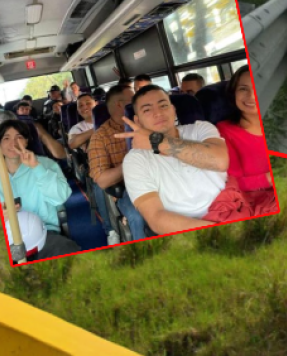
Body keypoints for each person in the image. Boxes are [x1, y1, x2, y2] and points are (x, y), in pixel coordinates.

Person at [115, 85, 228, 235]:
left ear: (173, 110)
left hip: (229, 210)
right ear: (137, 120)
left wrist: (157, 142)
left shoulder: (200, 129)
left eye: (163, 105)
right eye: (147, 110)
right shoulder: (135, 160)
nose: (158, 113)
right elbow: (156, 218)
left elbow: (219, 161)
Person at [0, 119, 80, 260]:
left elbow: (60, 197)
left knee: (67, 251)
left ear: (27, 141)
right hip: (5, 238)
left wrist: (37, 168)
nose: (13, 143)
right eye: (6, 138)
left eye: (19, 137)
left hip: (45, 232)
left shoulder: (46, 164)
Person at [204, 65, 277, 221]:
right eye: (243, 89)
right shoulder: (225, 131)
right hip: (258, 202)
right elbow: (234, 182)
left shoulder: (281, 120)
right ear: (233, 93)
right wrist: (270, 178)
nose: (251, 96)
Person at [86, 84, 148, 241]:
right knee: (136, 216)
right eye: (134, 99)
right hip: (129, 188)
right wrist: (132, 159)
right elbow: (102, 181)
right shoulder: (100, 137)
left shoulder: (147, 124)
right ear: (121, 105)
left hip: (161, 179)